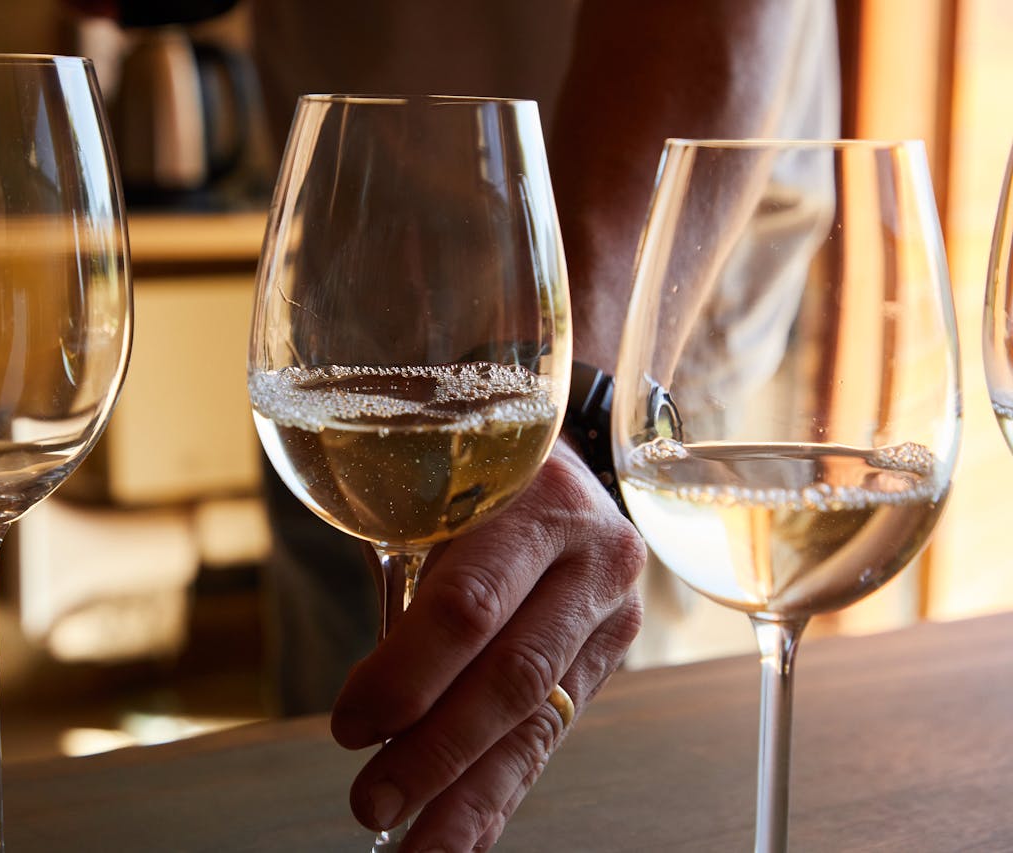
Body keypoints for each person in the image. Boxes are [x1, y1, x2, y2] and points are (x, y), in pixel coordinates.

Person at [247, 2, 840, 850]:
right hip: (341, 309)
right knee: (319, 772)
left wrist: (580, 403)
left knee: (566, 790)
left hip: (639, 280)